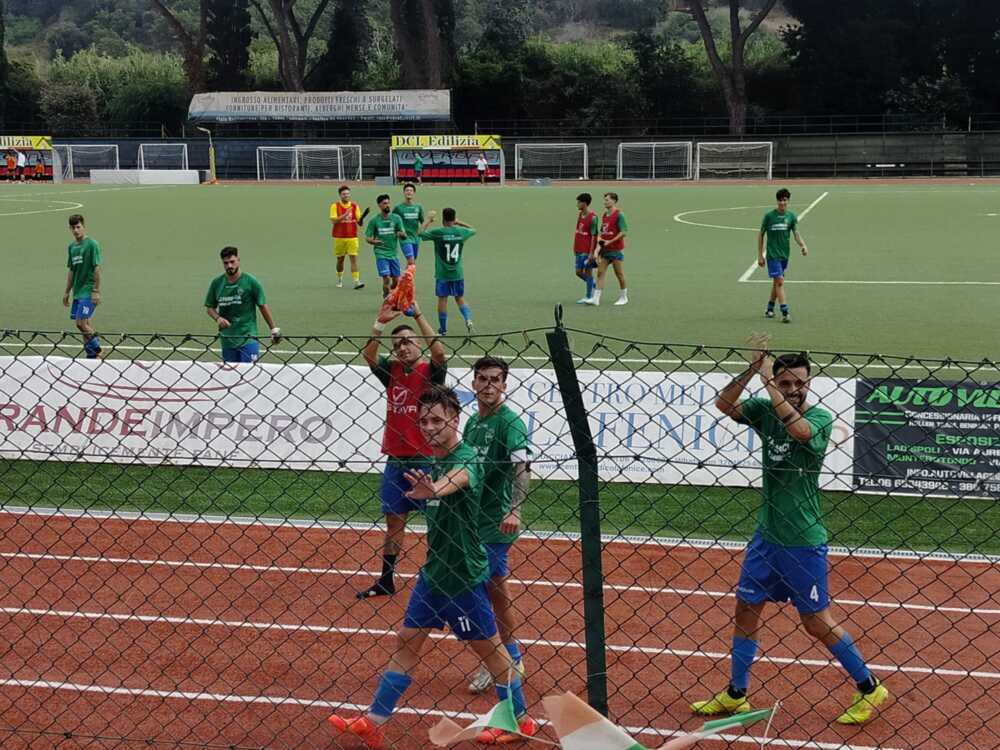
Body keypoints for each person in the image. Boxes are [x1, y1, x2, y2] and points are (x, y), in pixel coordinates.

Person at [692, 335, 889, 725]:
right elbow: (723, 404)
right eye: (786, 383)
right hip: (767, 535)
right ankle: (736, 694)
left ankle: (869, 687)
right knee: (746, 610)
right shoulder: (765, 412)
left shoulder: (818, 419)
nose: (794, 390)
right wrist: (753, 369)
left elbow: (799, 433)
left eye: (801, 383)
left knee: (815, 621)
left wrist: (769, 384)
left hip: (802, 539)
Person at [329, 385, 537, 749]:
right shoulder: (435, 460)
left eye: (437, 420)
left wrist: (436, 490)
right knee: (406, 643)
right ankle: (373, 723)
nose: (429, 427)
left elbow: (459, 479)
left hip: (462, 579)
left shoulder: (467, 457)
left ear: (455, 420)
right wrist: (433, 485)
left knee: (493, 656)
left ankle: (520, 722)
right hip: (432, 575)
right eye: (424, 421)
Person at [356, 297, 447, 599]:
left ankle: (440, 574)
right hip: (396, 459)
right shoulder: (391, 371)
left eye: (408, 342)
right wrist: (380, 324)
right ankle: (386, 579)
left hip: (426, 458)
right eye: (398, 345)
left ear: (418, 343)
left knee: (437, 522)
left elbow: (440, 352)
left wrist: (418, 314)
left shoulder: (429, 373)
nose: (403, 347)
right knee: (394, 519)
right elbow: (368, 356)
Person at [464, 356, 531, 694]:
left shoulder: (510, 423)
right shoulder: (472, 423)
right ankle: (509, 655)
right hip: (471, 520)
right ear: (474, 383)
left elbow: (523, 470)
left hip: (497, 522)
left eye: (495, 380)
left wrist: (515, 509)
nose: (488, 385)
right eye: (482, 379)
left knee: (484, 589)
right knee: (492, 589)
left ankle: (504, 659)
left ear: (504, 384)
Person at [204, 246, 281, 363]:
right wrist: (218, 318)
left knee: (249, 376)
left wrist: (273, 329)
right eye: (226, 263)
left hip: (248, 339)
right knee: (232, 378)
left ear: (238, 260)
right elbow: (210, 307)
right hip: (227, 340)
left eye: (232, 262)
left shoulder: (251, 282)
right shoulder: (217, 283)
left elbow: (262, 306)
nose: (229, 266)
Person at [419, 208, 476, 335]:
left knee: (442, 299)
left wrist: (428, 220)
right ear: (453, 219)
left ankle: (443, 329)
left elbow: (420, 233)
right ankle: (468, 319)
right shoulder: (461, 232)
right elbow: (473, 229)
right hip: (457, 273)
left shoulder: (438, 232)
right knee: (459, 298)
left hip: (442, 274)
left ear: (443, 219)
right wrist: (459, 223)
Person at [758, 188, 808, 324]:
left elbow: (796, 234)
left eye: (785, 200)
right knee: (780, 281)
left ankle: (769, 308)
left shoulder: (791, 217)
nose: (782, 203)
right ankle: (785, 312)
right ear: (777, 201)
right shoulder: (769, 217)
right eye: (780, 200)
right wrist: (760, 256)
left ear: (788, 201)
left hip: (784, 254)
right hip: (772, 255)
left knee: (776, 282)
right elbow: (761, 235)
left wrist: (803, 245)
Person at [62, 214, 103, 359]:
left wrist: (96, 291)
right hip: (78, 293)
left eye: (78, 227)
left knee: (80, 323)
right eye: (73, 228)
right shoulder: (72, 247)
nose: (76, 230)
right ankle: (91, 356)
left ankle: (98, 349)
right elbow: (72, 270)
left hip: (88, 291)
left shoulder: (92, 244)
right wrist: (67, 292)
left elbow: (97, 268)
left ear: (84, 226)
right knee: (85, 324)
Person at [585, 192, 628, 307]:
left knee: (619, 274)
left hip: (616, 250)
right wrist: (597, 249)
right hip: (605, 250)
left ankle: (624, 296)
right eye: (604, 200)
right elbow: (602, 233)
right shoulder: (604, 215)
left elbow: (624, 232)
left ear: (614, 201)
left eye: (607, 200)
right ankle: (596, 298)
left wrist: (610, 241)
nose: (605, 202)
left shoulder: (619, 215)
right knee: (600, 273)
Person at [365, 194, 407, 298]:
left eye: (388, 203)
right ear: (379, 205)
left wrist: (401, 235)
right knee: (386, 278)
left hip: (393, 254)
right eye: (384, 203)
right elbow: (368, 237)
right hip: (381, 253)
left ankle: (389, 293)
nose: (387, 205)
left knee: (396, 281)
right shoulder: (374, 221)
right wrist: (374, 242)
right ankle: (386, 298)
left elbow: (404, 235)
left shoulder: (396, 218)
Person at [330, 184, 367, 290]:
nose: (346, 195)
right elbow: (333, 220)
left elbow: (359, 223)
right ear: (340, 195)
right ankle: (339, 279)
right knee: (340, 260)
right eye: (343, 194)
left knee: (353, 259)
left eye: (347, 193)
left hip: (352, 237)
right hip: (339, 237)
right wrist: (345, 214)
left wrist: (362, 219)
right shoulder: (335, 206)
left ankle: (356, 281)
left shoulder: (355, 206)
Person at [572, 192, 599, 304]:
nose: (577, 204)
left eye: (579, 202)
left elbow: (594, 236)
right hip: (578, 248)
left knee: (588, 273)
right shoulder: (580, 215)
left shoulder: (593, 218)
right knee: (578, 272)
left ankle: (588, 296)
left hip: (586, 250)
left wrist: (591, 252)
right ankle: (595, 286)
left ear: (585, 203)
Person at [392, 183, 425, 264]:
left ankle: (408, 277)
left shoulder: (418, 207)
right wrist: (397, 232)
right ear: (404, 192)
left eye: (411, 190)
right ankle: (408, 276)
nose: (409, 192)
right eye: (407, 190)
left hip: (416, 238)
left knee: (412, 261)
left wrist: (422, 232)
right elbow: (392, 221)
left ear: (414, 193)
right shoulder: (398, 208)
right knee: (411, 260)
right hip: (405, 238)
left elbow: (422, 222)